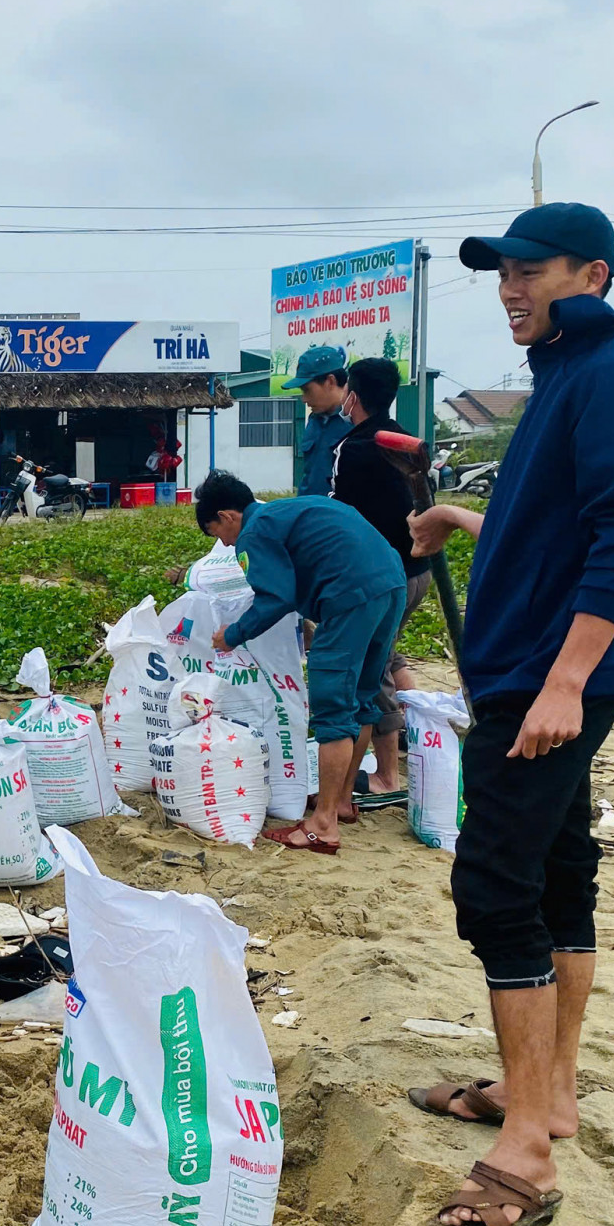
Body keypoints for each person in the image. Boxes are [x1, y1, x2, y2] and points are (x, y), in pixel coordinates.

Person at [406, 203, 614, 1226]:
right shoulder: (564, 363)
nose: (509, 287)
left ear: (589, 272)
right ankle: (546, 1095)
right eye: (499, 272)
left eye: (530, 270)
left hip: (544, 684)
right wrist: (464, 520)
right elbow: (548, 508)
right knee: (558, 875)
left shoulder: (608, 370)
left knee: (492, 888)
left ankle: (524, 1150)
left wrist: (563, 682)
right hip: (532, 670)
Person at [195, 471, 404, 854]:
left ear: (227, 516)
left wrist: (233, 634)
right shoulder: (291, 510)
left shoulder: (256, 531)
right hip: (390, 585)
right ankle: (340, 801)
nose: (225, 543)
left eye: (217, 533)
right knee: (361, 698)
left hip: (348, 596)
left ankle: (323, 824)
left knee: (332, 708)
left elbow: (276, 597)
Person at [329, 356, 431, 794]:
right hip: (418, 570)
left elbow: (340, 516)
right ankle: (421, 725)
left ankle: (388, 775)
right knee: (386, 655)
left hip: (382, 578)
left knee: (375, 669)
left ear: (352, 394)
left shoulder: (352, 448)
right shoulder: (407, 441)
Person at [285, 345, 350, 497]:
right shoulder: (314, 420)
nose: (304, 399)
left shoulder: (355, 422)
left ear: (330, 381)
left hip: (338, 516)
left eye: (307, 390)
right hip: (310, 512)